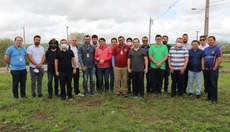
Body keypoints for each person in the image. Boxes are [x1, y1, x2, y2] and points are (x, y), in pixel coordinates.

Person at [203, 36, 222, 104]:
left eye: (211, 40)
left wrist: (215, 67)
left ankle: (214, 99)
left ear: (214, 41)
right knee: (207, 84)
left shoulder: (217, 48)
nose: (210, 41)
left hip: (213, 70)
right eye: (209, 40)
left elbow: (220, 59)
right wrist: (203, 67)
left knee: (213, 84)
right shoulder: (206, 49)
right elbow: (203, 58)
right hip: (206, 69)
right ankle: (209, 97)